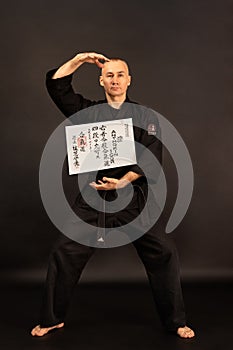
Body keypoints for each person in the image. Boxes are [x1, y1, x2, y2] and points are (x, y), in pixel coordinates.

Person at [31, 52, 195, 338]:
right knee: (63, 251)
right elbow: (58, 87)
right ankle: (52, 318)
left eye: (120, 74)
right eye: (109, 75)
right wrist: (79, 59)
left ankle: (175, 321)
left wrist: (123, 182)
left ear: (129, 80)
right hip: (95, 198)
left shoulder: (145, 116)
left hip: (134, 198)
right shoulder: (89, 112)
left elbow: (152, 158)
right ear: (101, 81)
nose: (115, 79)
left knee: (165, 253)